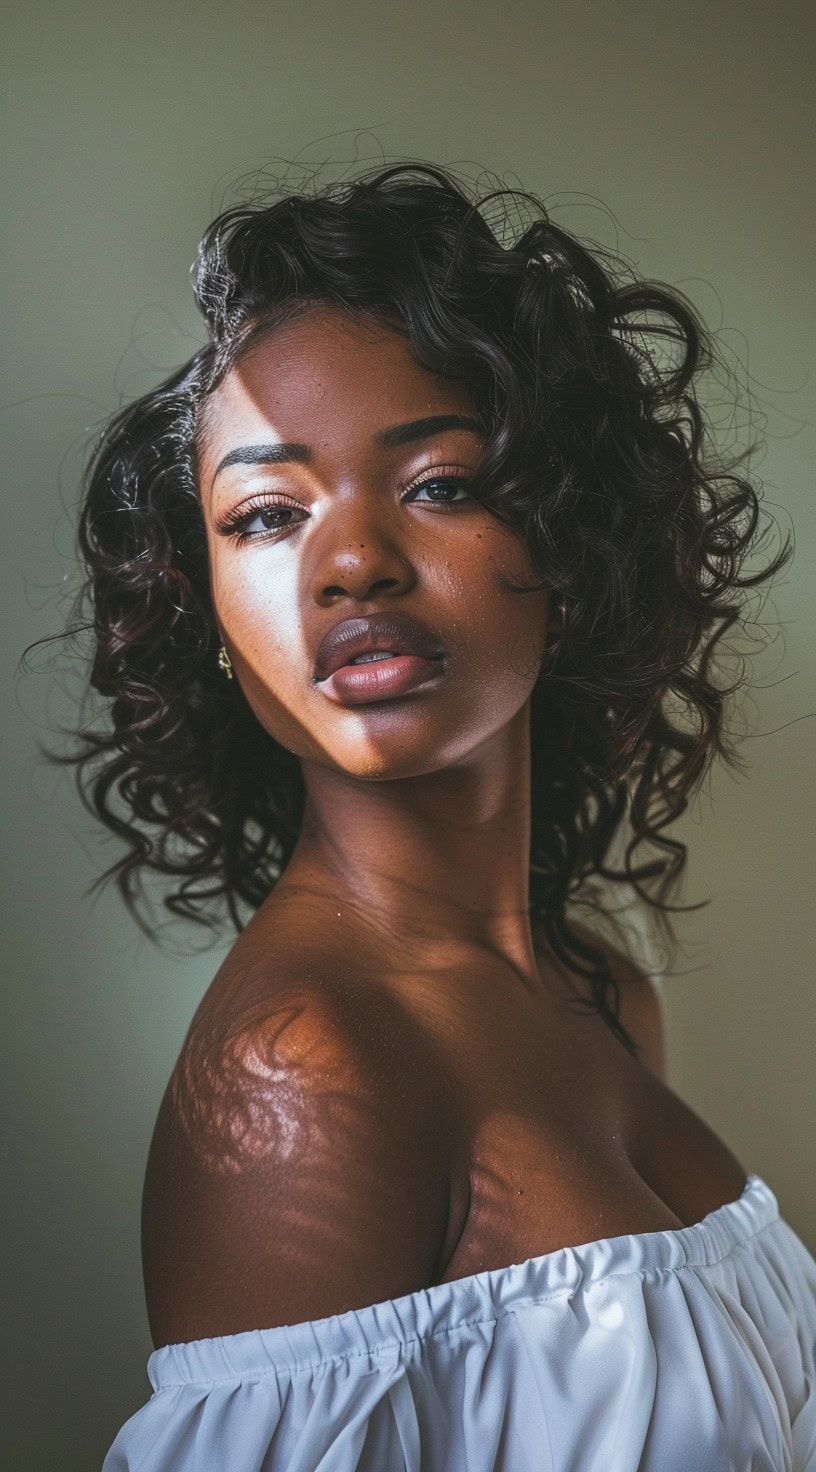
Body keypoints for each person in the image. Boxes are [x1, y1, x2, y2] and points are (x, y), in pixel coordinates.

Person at [71, 163, 814, 1469]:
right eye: (267, 514)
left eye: (438, 484)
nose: (349, 561)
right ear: (219, 629)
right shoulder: (306, 1071)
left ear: (570, 554)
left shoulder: (600, 989)